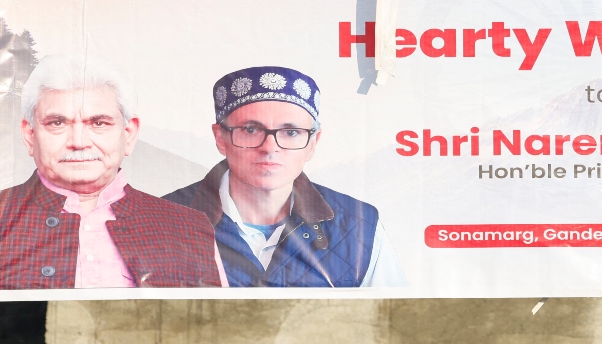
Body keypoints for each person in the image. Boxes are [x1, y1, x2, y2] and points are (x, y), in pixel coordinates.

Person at [165, 65, 404, 287]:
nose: (270, 147)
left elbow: (391, 324)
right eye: (251, 130)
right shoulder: (162, 220)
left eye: (291, 132)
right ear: (220, 138)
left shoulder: (359, 226)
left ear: (312, 143)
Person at [0, 54, 225, 289]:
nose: (79, 142)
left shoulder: (189, 228)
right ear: (30, 135)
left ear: (128, 134)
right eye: (58, 123)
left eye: (99, 123)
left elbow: (217, 323)